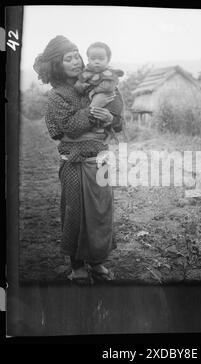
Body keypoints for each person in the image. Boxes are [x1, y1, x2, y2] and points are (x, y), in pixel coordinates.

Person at [33, 35, 123, 284]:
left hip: (101, 159)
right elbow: (68, 128)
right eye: (67, 58)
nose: (75, 61)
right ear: (57, 65)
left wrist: (108, 118)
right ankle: (77, 266)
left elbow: (119, 121)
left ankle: (96, 262)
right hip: (74, 162)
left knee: (101, 212)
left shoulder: (100, 83)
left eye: (76, 56)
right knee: (75, 212)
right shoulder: (57, 96)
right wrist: (94, 109)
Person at [74, 41, 124, 136]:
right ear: (88, 59)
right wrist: (80, 86)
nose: (97, 61)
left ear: (108, 60)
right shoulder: (86, 73)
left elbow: (108, 87)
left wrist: (93, 91)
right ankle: (93, 126)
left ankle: (101, 125)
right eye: (93, 58)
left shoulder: (109, 73)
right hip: (90, 101)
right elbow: (79, 85)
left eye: (101, 59)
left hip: (108, 98)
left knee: (107, 106)